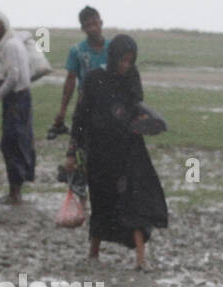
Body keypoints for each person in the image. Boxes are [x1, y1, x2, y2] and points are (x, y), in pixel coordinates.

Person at [65, 34, 167, 269]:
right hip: (100, 152)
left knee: (133, 200)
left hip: (129, 150)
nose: (125, 65)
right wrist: (73, 150)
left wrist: (144, 121)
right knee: (102, 201)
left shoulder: (131, 78)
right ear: (113, 57)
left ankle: (141, 259)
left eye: (130, 61)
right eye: (122, 60)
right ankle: (93, 252)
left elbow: (136, 107)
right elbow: (80, 116)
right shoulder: (93, 79)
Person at [0, 9, 35, 204]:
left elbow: (13, 76)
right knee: (17, 142)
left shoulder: (10, 46)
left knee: (11, 144)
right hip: (20, 98)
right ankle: (16, 191)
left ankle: (15, 193)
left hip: (16, 99)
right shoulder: (12, 43)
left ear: (4, 25)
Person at [51, 6, 107, 137]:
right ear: (83, 29)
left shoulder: (113, 48)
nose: (92, 28)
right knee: (82, 142)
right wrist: (63, 109)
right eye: (88, 25)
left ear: (101, 23)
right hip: (85, 103)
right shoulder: (77, 51)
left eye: (95, 23)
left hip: (109, 104)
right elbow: (70, 80)